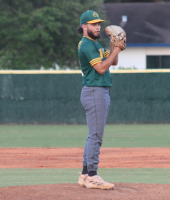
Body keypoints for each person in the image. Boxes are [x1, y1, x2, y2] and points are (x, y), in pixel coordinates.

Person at [76, 10, 122, 190]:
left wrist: (113, 45)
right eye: (94, 24)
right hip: (95, 91)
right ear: (84, 26)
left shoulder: (95, 44)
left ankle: (85, 174)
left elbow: (114, 61)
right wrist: (117, 49)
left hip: (98, 91)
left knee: (92, 135)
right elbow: (102, 69)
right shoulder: (87, 45)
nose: (98, 27)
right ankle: (93, 177)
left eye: (99, 24)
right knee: (96, 136)